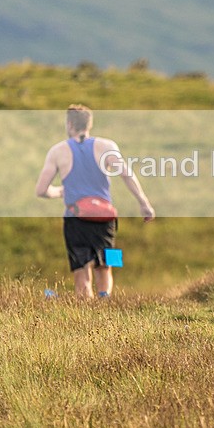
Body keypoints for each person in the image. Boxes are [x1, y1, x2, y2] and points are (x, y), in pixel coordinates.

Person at [35, 105, 155, 298]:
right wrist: (144, 203)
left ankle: (85, 304)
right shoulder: (107, 146)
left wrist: (59, 192)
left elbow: (41, 190)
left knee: (81, 270)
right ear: (89, 124)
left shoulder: (58, 151)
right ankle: (104, 301)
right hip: (105, 219)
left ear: (69, 123)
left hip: (75, 219)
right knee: (106, 266)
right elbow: (126, 174)